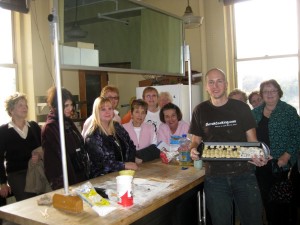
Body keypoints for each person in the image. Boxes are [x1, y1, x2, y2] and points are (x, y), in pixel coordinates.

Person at [189, 68, 267, 225]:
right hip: (215, 178)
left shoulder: (241, 108)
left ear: (226, 84)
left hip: (244, 174)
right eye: (211, 82)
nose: (215, 86)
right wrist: (193, 148)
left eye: (219, 81)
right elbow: (196, 140)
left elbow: (252, 140)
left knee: (252, 221)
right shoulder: (200, 110)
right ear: (206, 86)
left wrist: (258, 155)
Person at [252, 79, 300, 225]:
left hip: (281, 164)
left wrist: (286, 156)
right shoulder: (255, 113)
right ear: (262, 95)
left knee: (282, 204)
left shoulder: (289, 111)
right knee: (267, 202)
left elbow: (297, 135)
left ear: (279, 92)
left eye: (273, 90)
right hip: (260, 164)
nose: (270, 94)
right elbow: (247, 136)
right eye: (266, 91)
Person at [42, 87, 89, 190]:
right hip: (64, 179)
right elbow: (57, 159)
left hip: (78, 175)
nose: (70, 108)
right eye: (66, 105)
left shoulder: (67, 122)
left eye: (71, 105)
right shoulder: (51, 127)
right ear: (56, 105)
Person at [0, 92, 41, 201]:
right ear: (11, 110)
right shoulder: (3, 131)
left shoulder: (34, 126)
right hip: (17, 174)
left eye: (26, 105)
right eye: (20, 105)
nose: (25, 108)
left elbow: (43, 148)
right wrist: (2, 183)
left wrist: (39, 155)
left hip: (36, 171)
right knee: (28, 204)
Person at [84, 97, 137, 178]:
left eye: (110, 108)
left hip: (124, 175)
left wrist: (130, 162)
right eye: (103, 109)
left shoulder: (117, 126)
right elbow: (101, 163)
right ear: (96, 112)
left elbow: (130, 145)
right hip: (102, 179)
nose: (107, 112)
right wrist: (124, 165)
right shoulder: (92, 135)